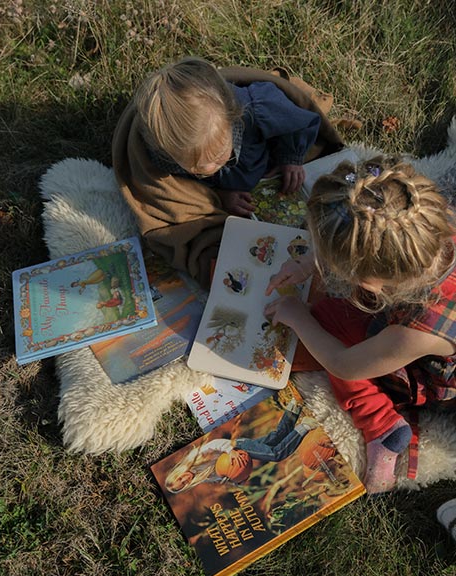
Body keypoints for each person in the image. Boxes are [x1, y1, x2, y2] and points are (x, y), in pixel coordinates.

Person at [264, 157, 456, 494]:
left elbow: (344, 365)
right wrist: (307, 263)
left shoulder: (414, 332)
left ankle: (381, 427)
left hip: (435, 375)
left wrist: (298, 317)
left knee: (325, 330)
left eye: (335, 264)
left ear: (372, 282)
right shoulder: (430, 222)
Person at [113, 58, 343, 287]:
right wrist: (219, 196)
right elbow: (176, 194)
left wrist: (291, 159)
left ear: (233, 118)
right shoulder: (162, 154)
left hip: (264, 161)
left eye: (218, 156)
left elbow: (298, 123)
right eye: (197, 169)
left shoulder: (256, 107)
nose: (212, 168)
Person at [165, 398, 313, 493]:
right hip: (238, 454)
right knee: (276, 437)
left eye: (180, 479)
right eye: (183, 484)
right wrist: (238, 480)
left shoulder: (193, 458)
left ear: (178, 473)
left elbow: (215, 444)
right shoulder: (202, 477)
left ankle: (305, 425)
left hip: (238, 447)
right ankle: (294, 406)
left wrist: (230, 451)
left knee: (276, 454)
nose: (185, 480)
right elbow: (226, 473)